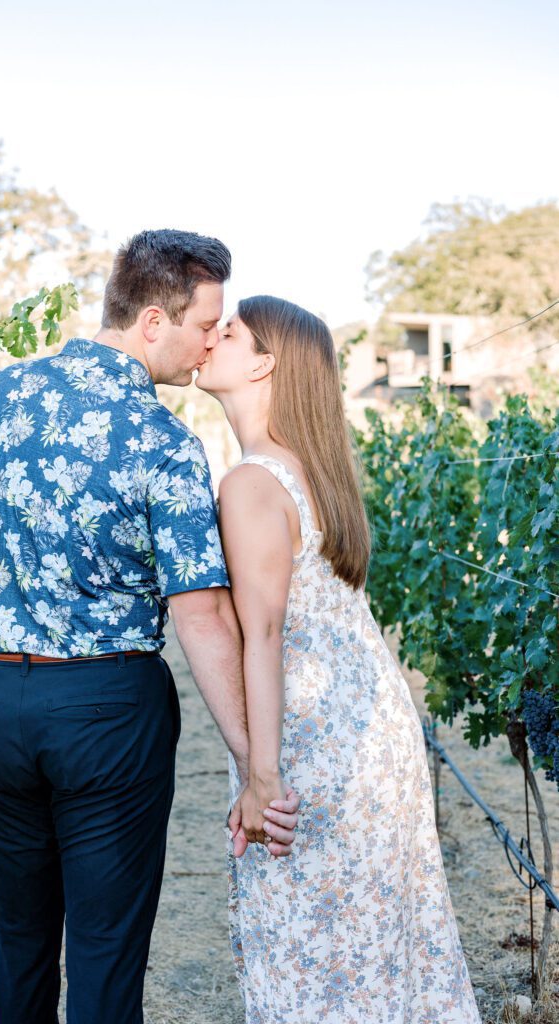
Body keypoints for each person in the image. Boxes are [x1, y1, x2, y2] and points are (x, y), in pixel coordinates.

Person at [0, 232, 298, 1024]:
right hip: (105, 708)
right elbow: (197, 610)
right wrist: (249, 763)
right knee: (103, 954)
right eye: (207, 323)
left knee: (14, 941)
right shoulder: (161, 440)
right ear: (156, 320)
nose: (211, 342)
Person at [196, 295, 481, 1023]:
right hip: (368, 730)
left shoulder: (253, 482)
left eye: (227, 331)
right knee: (373, 947)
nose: (209, 338)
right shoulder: (309, 470)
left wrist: (261, 777)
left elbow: (261, 636)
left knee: (311, 950)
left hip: (313, 744)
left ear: (263, 362)